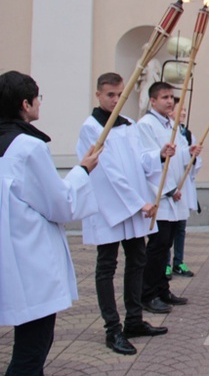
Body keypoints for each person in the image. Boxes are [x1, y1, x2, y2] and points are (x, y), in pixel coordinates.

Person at [0, 70, 100, 374]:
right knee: (32, 350)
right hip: (29, 261)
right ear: (25, 104)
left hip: (9, 255)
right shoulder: (28, 148)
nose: (40, 104)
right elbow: (60, 204)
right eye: (37, 99)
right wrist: (82, 171)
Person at [77, 72, 171, 355]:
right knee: (107, 265)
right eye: (110, 95)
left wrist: (159, 155)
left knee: (137, 259)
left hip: (131, 206)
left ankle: (134, 320)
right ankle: (112, 329)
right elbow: (107, 170)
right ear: (98, 95)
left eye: (120, 95)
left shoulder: (128, 123)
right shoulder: (91, 128)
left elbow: (138, 159)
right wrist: (138, 202)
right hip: (108, 206)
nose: (116, 100)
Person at [137, 82, 201, 314]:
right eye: (164, 97)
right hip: (160, 196)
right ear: (152, 101)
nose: (169, 101)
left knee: (167, 245)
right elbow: (145, 160)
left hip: (174, 196)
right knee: (157, 247)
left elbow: (178, 156)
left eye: (172, 98)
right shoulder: (145, 125)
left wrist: (189, 153)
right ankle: (148, 293)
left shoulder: (172, 125)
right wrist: (168, 186)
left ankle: (162, 289)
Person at [166, 98, 201, 278]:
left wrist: (193, 156)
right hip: (169, 188)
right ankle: (165, 263)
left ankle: (178, 261)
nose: (184, 113)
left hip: (183, 186)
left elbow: (194, 163)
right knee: (166, 230)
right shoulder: (166, 132)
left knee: (180, 228)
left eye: (186, 110)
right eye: (181, 110)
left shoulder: (186, 134)